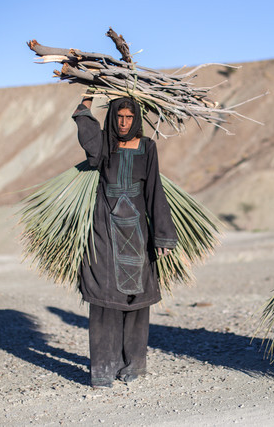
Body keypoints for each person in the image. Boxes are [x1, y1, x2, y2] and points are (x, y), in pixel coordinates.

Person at [72, 95, 178, 388]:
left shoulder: (148, 148)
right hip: (104, 229)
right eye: (119, 117)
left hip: (138, 232)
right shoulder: (105, 146)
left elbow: (155, 190)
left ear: (137, 119)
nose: (123, 122)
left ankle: (133, 365)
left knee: (136, 300)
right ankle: (103, 369)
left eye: (130, 117)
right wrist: (87, 97)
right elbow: (87, 130)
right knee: (104, 299)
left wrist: (162, 236)